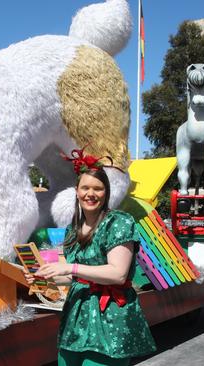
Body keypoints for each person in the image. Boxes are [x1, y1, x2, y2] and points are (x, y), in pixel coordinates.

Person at [25, 149, 156, 366]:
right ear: (76, 191)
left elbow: (118, 273)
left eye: (98, 188)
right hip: (76, 319)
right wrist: (46, 278)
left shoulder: (118, 223)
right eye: (85, 188)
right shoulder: (73, 230)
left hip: (110, 319)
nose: (91, 194)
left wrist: (70, 268)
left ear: (106, 193)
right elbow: (75, 278)